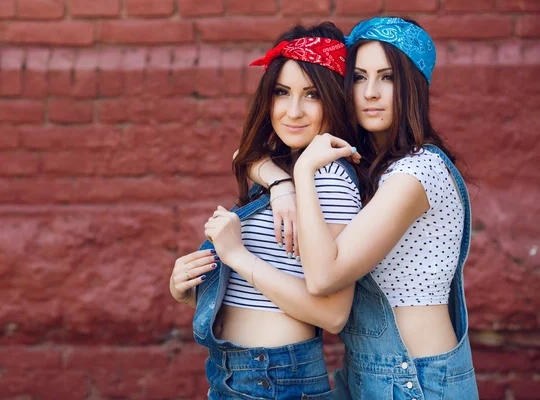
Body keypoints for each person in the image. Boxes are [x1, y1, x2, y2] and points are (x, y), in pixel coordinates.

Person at [246, 17, 479, 400]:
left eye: (387, 78)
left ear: (415, 87)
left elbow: (324, 278)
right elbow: (246, 154)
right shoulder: (367, 164)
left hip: (417, 379)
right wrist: (280, 184)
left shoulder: (416, 172)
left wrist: (302, 171)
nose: (370, 92)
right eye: (358, 78)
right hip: (368, 372)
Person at [169, 22, 369, 399]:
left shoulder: (329, 177)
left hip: (274, 377)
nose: (293, 111)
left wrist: (236, 256)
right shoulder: (285, 167)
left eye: (311, 95)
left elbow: (332, 314)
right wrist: (185, 286)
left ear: (335, 99)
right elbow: (242, 157)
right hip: (232, 372)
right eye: (282, 92)